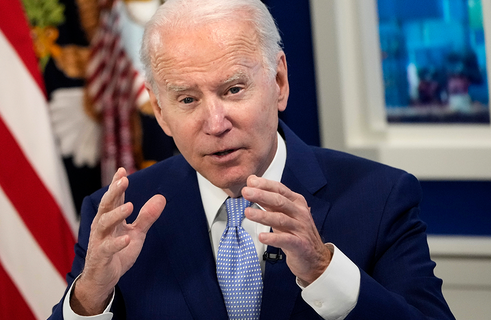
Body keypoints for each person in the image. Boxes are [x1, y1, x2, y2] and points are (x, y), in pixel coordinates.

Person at [49, 0, 455, 318]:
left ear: (278, 82)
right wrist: (90, 297)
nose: (215, 122)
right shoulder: (120, 213)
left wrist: (323, 270)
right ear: (159, 112)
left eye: (233, 89)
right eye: (187, 100)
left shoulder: (380, 196)